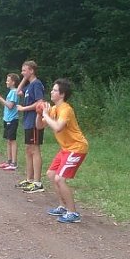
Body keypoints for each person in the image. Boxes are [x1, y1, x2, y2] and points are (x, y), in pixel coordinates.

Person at [39, 79, 89, 223]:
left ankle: (73, 213)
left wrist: (46, 116)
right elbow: (39, 127)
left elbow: (58, 127)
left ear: (62, 94)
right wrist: (40, 113)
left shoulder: (66, 109)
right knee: (51, 174)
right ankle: (62, 206)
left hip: (77, 147)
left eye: (54, 90)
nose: (51, 92)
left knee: (59, 178)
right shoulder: (54, 109)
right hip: (66, 148)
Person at [15, 61, 45, 193]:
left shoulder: (37, 84)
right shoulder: (29, 86)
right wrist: (24, 78)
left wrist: (23, 108)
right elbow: (18, 92)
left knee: (35, 149)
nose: (22, 73)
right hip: (28, 121)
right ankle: (29, 179)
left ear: (31, 70)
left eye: (24, 70)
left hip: (34, 122)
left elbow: (40, 103)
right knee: (28, 149)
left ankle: (37, 182)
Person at [0, 73, 20, 171]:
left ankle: (14, 163)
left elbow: (10, 106)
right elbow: (6, 104)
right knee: (8, 140)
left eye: (8, 80)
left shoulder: (14, 92)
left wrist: (0, 98)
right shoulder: (11, 92)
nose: (6, 82)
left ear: (13, 82)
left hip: (12, 120)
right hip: (7, 119)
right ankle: (8, 161)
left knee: (12, 140)